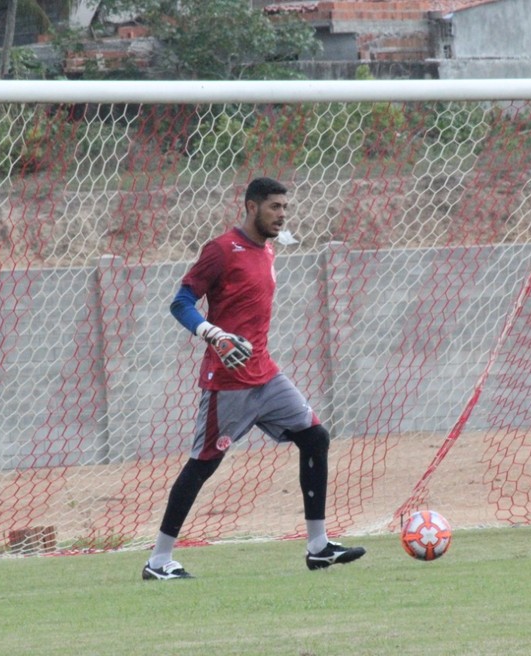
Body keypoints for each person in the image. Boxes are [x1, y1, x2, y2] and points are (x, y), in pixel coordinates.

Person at [141, 177, 366, 580]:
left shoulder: (268, 252)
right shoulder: (221, 250)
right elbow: (181, 302)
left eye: (285, 208)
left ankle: (318, 547)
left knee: (315, 437)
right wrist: (213, 333)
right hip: (227, 383)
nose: (282, 214)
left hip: (266, 374)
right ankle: (158, 561)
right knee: (203, 465)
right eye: (274, 207)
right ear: (250, 207)